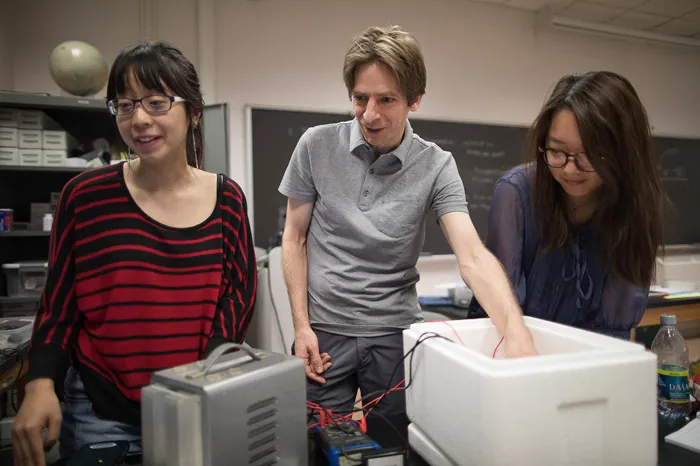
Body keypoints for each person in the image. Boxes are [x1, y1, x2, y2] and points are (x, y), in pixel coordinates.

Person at [278, 25, 537, 445]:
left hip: (396, 339)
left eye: (387, 100)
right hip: (323, 335)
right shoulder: (314, 146)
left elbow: (471, 255)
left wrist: (516, 334)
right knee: (318, 448)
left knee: (397, 448)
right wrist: (302, 326)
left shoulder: (437, 165)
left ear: (415, 99)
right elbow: (294, 239)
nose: (370, 115)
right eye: (360, 98)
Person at [12, 41, 257, 465]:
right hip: (99, 411)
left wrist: (210, 375)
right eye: (124, 105)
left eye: (157, 102)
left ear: (193, 112)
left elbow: (238, 296)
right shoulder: (84, 197)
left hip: (193, 403)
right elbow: (58, 305)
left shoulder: (227, 199)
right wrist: (40, 383)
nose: (139, 119)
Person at [469, 71, 665, 340]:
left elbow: (614, 328)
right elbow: (502, 310)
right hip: (514, 349)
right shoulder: (516, 193)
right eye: (557, 151)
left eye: (590, 155)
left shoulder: (636, 203)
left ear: (623, 152)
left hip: (591, 358)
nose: (570, 169)